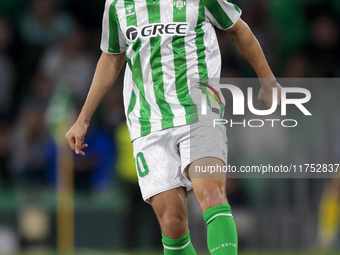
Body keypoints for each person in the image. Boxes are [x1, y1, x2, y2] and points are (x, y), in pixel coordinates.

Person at [65, 0, 281, 254]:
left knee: (211, 193)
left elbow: (237, 29)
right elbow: (112, 57)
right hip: (148, 122)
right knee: (172, 222)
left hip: (199, 110)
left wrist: (268, 80)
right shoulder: (117, 5)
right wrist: (83, 118)